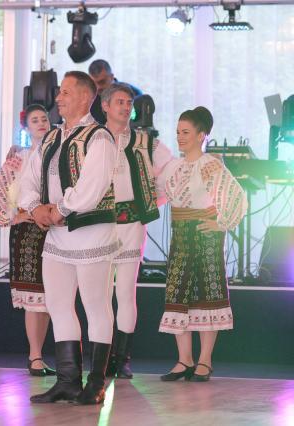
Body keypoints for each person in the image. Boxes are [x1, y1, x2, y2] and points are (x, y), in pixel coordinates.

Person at [20, 71, 118, 405]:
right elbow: (29, 178)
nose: (58, 98)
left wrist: (58, 210)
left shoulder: (99, 138)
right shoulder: (51, 138)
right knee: (59, 304)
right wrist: (35, 208)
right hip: (58, 237)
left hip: (91, 233)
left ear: (85, 97)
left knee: (96, 306)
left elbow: (92, 187)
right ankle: (67, 380)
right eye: (58, 93)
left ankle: (97, 383)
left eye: (65, 92)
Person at [157, 107, 247, 382]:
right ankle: (184, 360)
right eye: (178, 132)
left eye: (186, 132)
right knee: (178, 292)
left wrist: (222, 223)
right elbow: (159, 193)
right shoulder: (173, 166)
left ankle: (204, 361)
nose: (180, 137)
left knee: (208, 293)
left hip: (204, 233)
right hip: (181, 235)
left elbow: (237, 195)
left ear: (201, 135)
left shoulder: (211, 165)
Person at [101, 83, 174, 379]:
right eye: (119, 101)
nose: (124, 107)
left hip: (131, 222)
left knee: (125, 292)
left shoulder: (146, 142)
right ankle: (101, 358)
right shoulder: (94, 139)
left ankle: (122, 358)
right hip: (99, 224)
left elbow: (172, 173)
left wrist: (151, 202)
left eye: (128, 102)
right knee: (99, 295)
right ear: (105, 105)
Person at [0, 104, 55, 377]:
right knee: (33, 296)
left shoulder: (59, 153)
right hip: (27, 232)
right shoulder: (20, 157)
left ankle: (43, 355)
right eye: (34, 120)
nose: (41, 123)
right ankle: (34, 355)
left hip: (54, 228)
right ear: (26, 128)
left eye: (44, 119)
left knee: (50, 297)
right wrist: (15, 216)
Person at [88, 59, 142, 125]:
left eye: (102, 82)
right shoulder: (89, 99)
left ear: (111, 77)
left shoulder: (134, 94)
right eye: (93, 83)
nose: (98, 88)